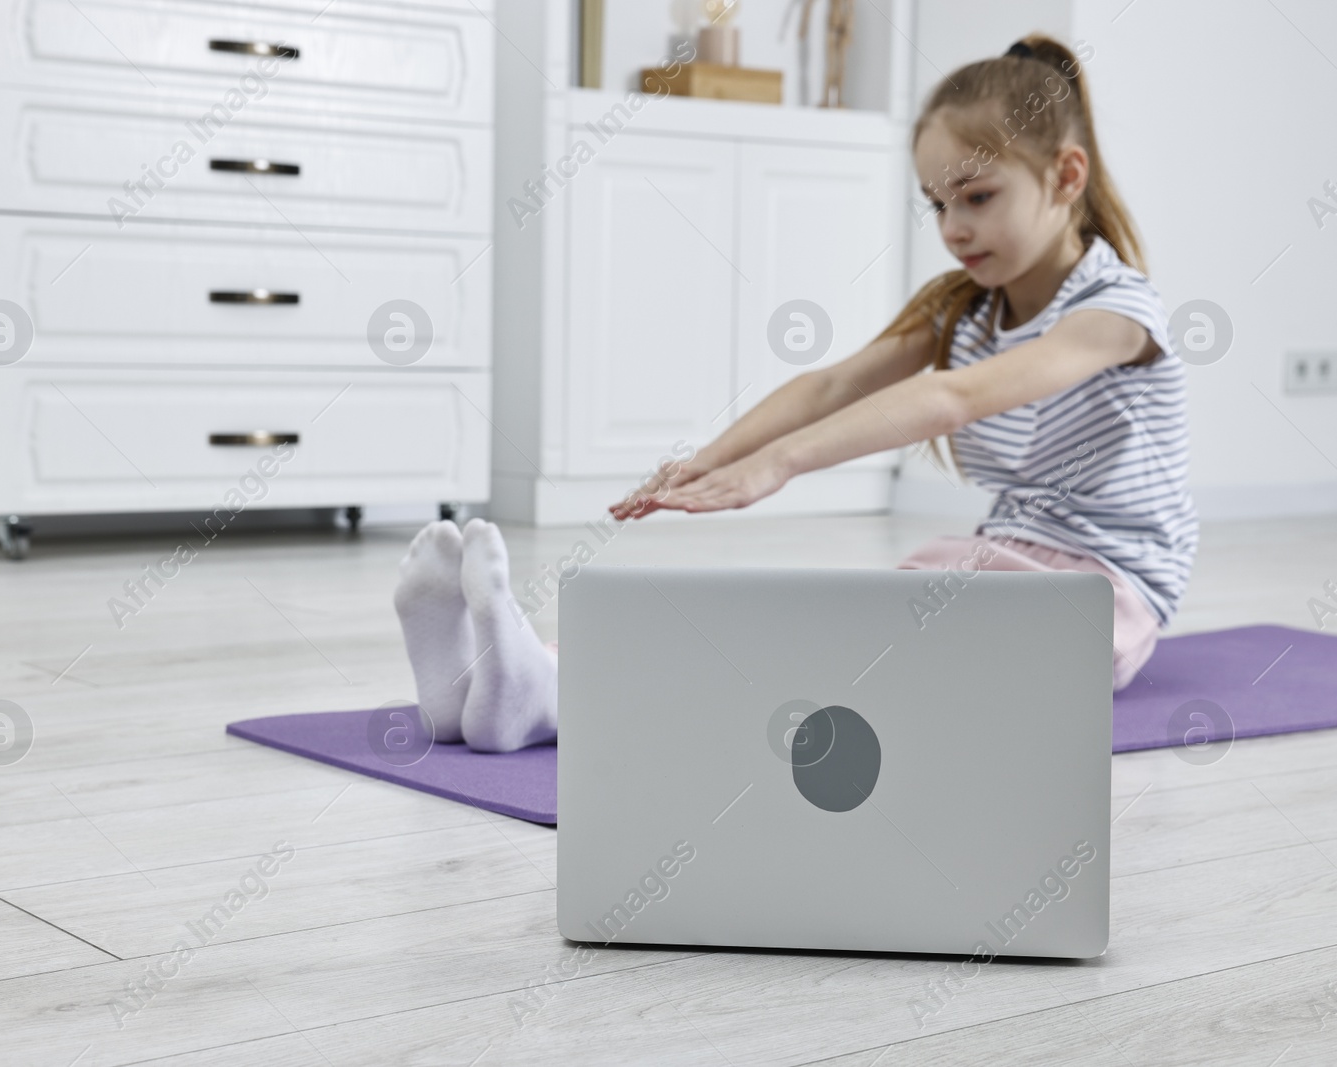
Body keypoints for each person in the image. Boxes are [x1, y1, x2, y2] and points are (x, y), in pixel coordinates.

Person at [393, 33, 1197, 752]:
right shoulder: (964, 305)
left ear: (1065, 177)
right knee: (822, 624)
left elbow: (957, 399)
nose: (952, 227)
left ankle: (546, 700)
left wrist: (778, 465)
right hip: (993, 560)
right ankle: (487, 680)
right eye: (937, 203)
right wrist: (703, 463)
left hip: (1099, 601)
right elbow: (833, 384)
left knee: (850, 664)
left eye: (977, 197)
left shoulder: (1116, 315)